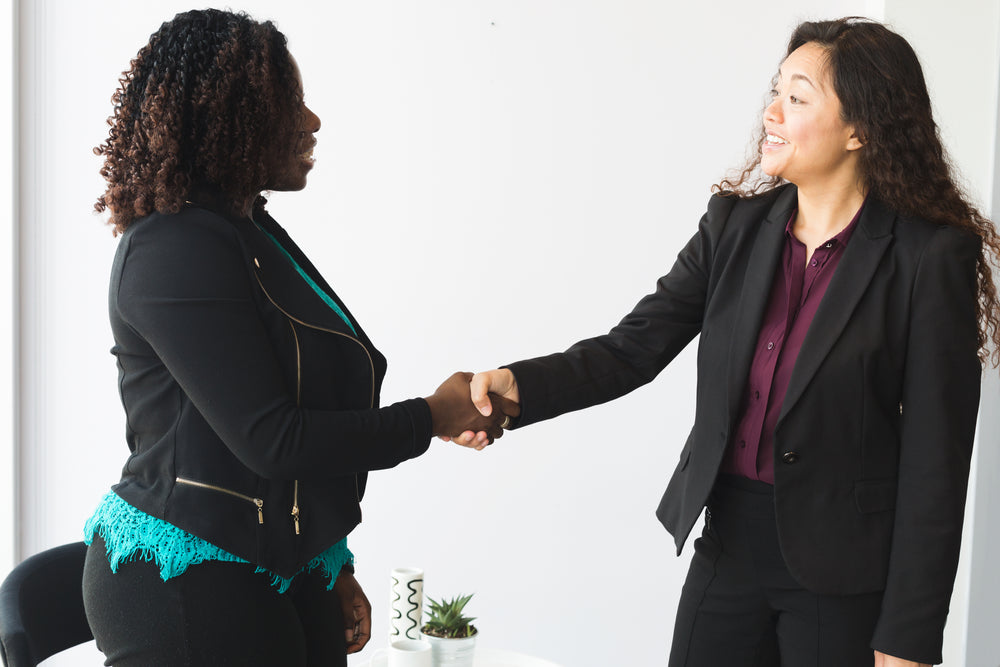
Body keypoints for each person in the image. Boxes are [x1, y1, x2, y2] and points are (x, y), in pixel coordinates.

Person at [452, 17, 1000, 667]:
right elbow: (632, 348)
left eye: (797, 98)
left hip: (843, 579)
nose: (770, 111)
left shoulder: (927, 256)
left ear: (860, 129)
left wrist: (907, 637)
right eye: (776, 90)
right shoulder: (732, 228)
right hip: (727, 549)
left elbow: (935, 462)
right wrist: (520, 387)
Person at [81, 9, 511, 666]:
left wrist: (329, 560)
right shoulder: (169, 248)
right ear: (231, 116)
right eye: (290, 105)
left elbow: (307, 409)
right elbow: (274, 439)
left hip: (272, 561)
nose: (310, 122)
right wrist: (432, 416)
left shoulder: (246, 232)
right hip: (182, 579)